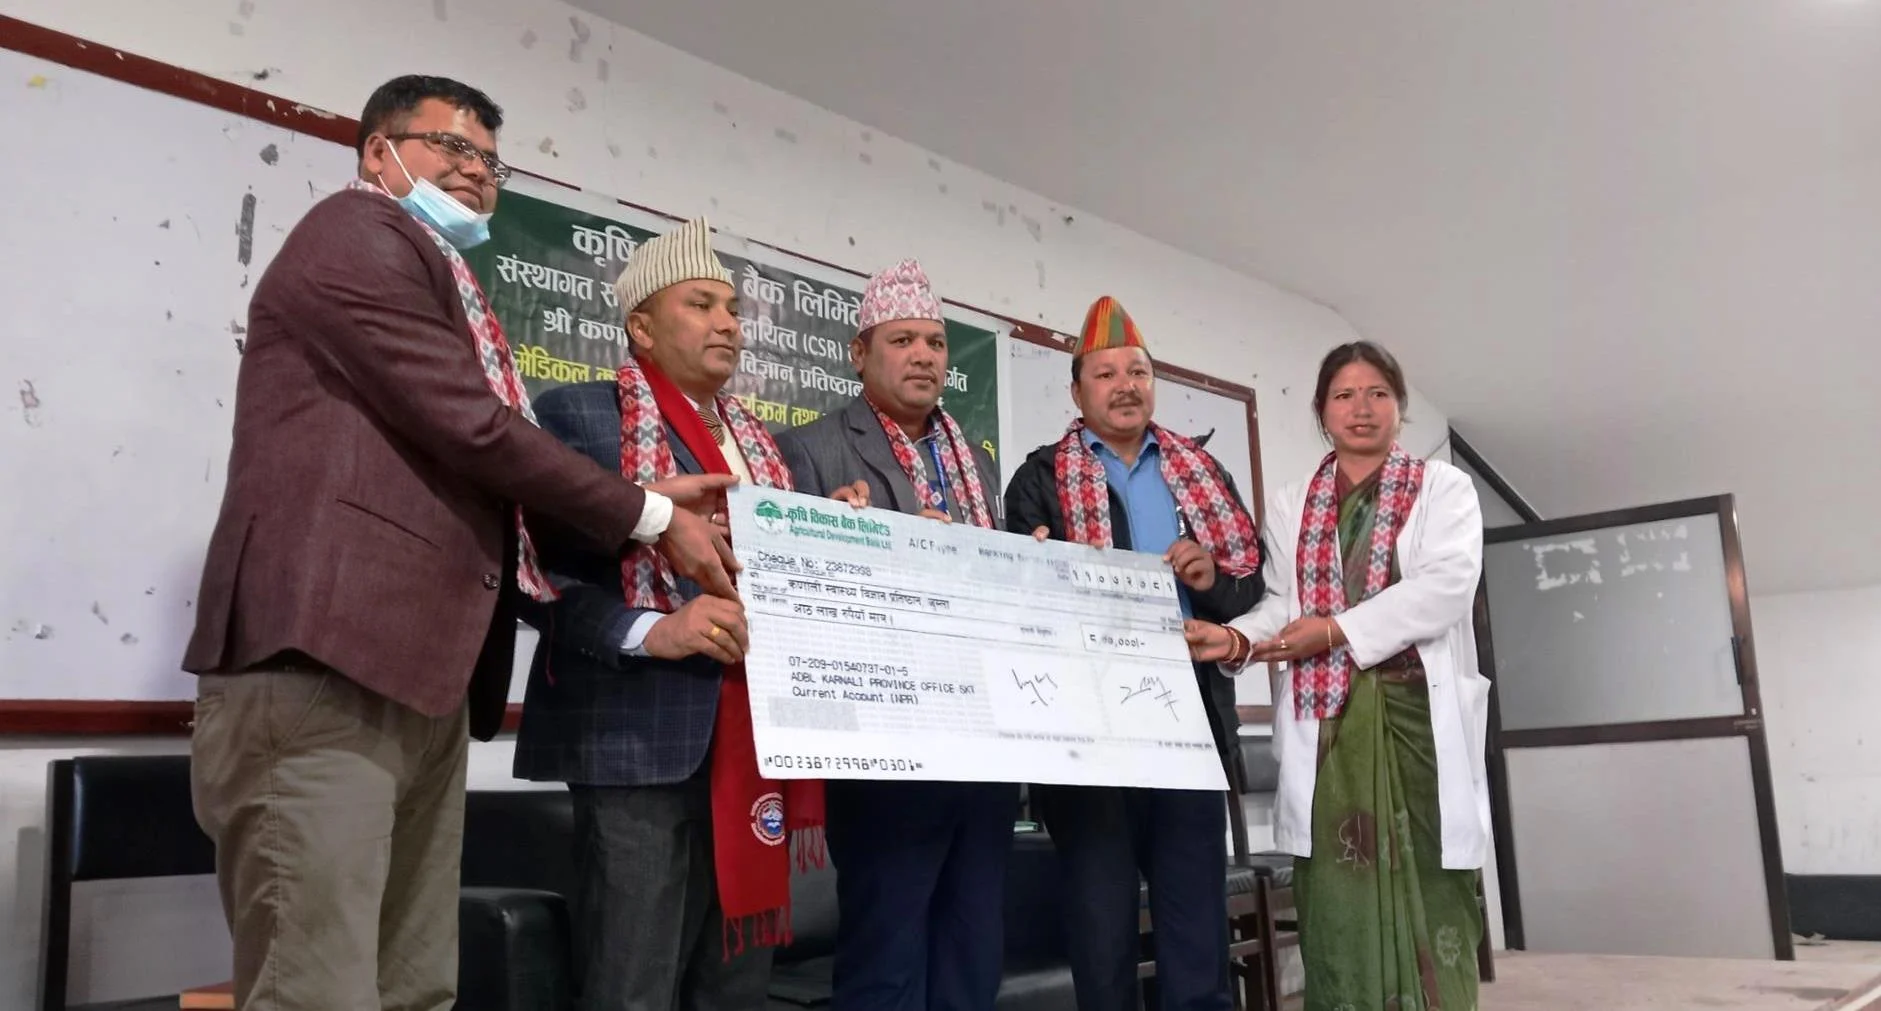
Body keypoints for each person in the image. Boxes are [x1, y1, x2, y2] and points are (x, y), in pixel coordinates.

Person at [182, 77, 737, 1011]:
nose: (475, 172)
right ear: (377, 151)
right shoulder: (354, 233)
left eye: (489, 160)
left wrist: (644, 502)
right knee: (317, 989)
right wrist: (647, 513)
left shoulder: (447, 278)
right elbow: (471, 424)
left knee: (416, 985)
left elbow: (480, 470)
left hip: (419, 677)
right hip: (325, 658)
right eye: (450, 146)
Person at [512, 218, 849, 1010]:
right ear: (641, 326)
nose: (727, 322)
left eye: (732, 308)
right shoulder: (576, 416)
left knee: (735, 989)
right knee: (632, 987)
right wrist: (650, 630)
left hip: (762, 740)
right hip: (636, 744)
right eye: (700, 304)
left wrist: (843, 529)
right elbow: (531, 569)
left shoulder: (771, 450)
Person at [1185, 341, 1491, 1011]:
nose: (1362, 408)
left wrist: (1335, 630)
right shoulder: (1293, 501)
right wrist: (1236, 638)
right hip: (1326, 731)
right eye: (1345, 395)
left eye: (1377, 393)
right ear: (1322, 410)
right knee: (1334, 892)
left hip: (1416, 723)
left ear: (1399, 406)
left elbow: (1445, 586)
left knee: (1433, 887)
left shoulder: (1443, 488)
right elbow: (1281, 603)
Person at [1003, 296, 1263, 1011]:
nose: (1125, 386)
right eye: (1106, 373)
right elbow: (1018, 601)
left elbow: (1248, 589)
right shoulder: (1039, 478)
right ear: (1076, 391)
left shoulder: (1199, 473)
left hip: (1189, 725)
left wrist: (1210, 580)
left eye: (1138, 372)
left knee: (1195, 930)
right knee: (1101, 932)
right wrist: (1039, 569)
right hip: (1088, 738)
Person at [776, 259, 1015, 1011]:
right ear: (859, 353)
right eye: (902, 340)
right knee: (886, 957)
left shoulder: (974, 462)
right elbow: (791, 592)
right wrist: (857, 538)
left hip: (982, 742)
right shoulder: (811, 449)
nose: (923, 356)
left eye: (936, 343)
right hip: (885, 745)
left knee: (973, 951)